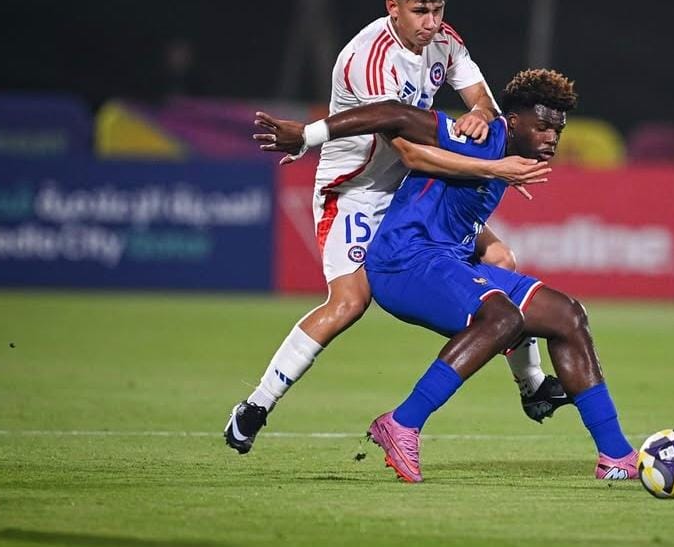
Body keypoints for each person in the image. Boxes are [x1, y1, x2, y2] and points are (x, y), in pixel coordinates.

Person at [225, 0, 570, 455]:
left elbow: (486, 102)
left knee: (501, 258)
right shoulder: (369, 61)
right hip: (357, 192)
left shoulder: (446, 42)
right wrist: (495, 168)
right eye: (420, 12)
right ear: (393, 6)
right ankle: (256, 405)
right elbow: (410, 150)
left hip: (409, 189)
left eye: (437, 11)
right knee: (348, 303)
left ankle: (532, 386)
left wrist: (477, 112)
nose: (432, 24)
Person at [253, 69, 639, 482]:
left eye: (557, 130)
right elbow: (391, 113)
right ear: (512, 122)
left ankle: (616, 455)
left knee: (568, 316)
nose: (551, 139)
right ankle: (402, 423)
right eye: (542, 127)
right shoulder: (476, 136)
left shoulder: (510, 158)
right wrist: (309, 136)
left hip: (447, 262)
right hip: (403, 262)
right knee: (502, 318)